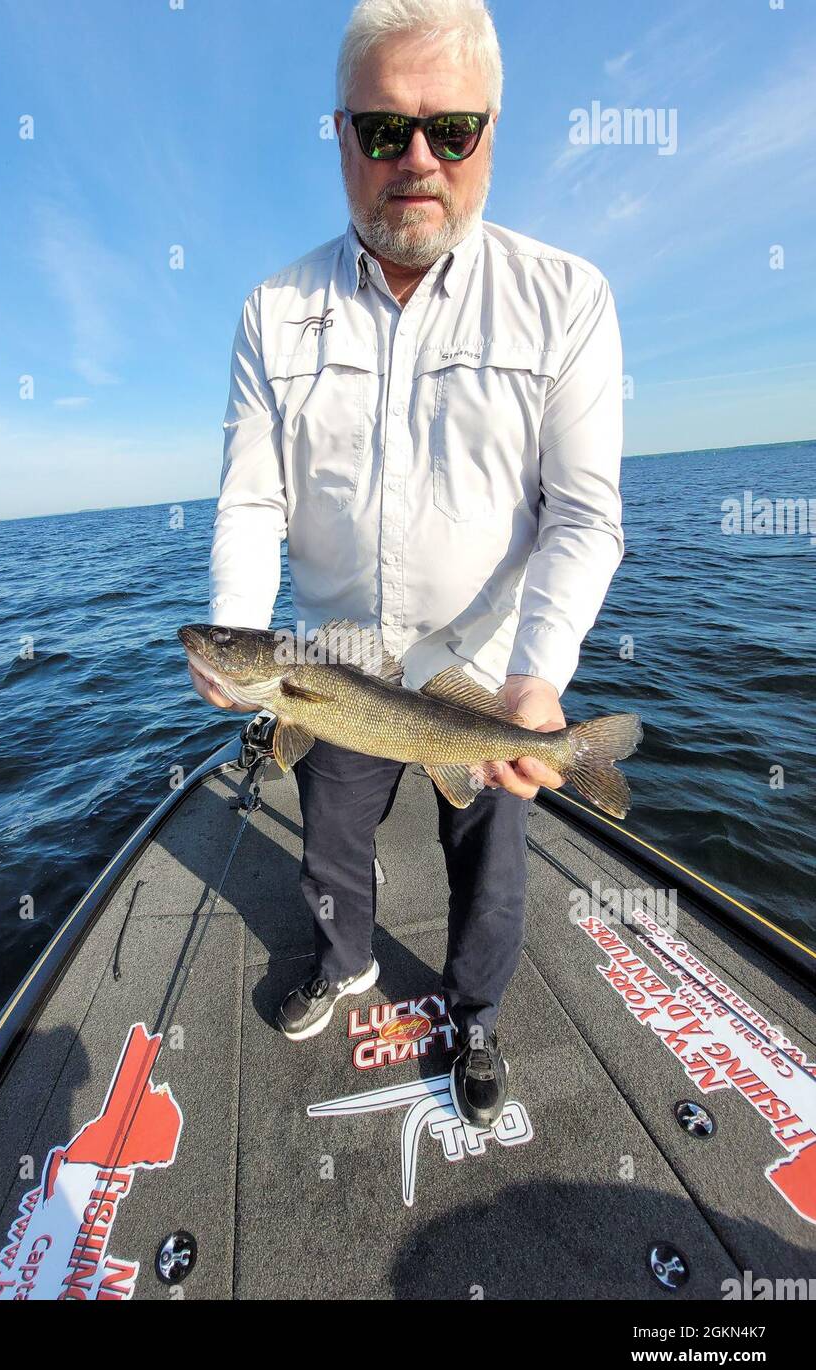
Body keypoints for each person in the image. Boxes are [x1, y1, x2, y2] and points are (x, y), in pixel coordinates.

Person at [188, 0, 624, 1127]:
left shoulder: (567, 300)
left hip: (485, 669)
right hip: (329, 660)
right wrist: (236, 628)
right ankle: (347, 964)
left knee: (490, 854)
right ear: (340, 137)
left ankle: (475, 1010)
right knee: (330, 839)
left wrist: (538, 679)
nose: (417, 159)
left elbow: (582, 514)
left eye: (452, 129)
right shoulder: (270, 312)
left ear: (491, 135)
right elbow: (250, 497)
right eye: (384, 131)